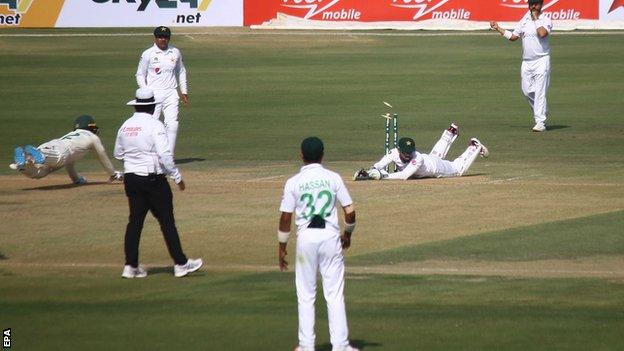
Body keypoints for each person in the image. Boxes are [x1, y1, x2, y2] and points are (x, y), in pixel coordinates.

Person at [278, 137, 359, 351]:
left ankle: (306, 346)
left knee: (306, 295)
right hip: (330, 239)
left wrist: (282, 246)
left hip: (306, 241)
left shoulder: (293, 182)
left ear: (301, 155)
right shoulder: (333, 178)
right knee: (334, 294)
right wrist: (347, 234)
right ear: (322, 154)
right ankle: (340, 346)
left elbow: (286, 218)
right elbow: (350, 211)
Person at [114, 87, 201, 279]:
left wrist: (134, 159)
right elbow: (165, 155)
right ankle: (181, 264)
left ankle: (130, 266)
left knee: (135, 222)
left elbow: (118, 154)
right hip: (153, 179)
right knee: (167, 222)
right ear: (152, 106)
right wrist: (177, 176)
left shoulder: (125, 126)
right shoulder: (155, 125)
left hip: (131, 179)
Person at [490, 0, 553, 132]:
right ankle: (542, 109)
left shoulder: (546, 19)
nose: (533, 6)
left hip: (541, 60)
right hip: (527, 61)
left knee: (540, 92)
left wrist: (536, 18)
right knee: (527, 91)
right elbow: (514, 37)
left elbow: (542, 34)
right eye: (531, 4)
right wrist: (498, 28)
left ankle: (540, 122)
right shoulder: (525, 18)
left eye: (536, 4)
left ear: (541, 5)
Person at [9, 115, 122, 184]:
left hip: (52, 147)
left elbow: (70, 164)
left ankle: (23, 165)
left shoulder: (73, 135)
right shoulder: (92, 137)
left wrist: (76, 180)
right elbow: (102, 157)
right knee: (58, 158)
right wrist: (112, 174)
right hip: (58, 151)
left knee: (39, 173)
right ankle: (35, 154)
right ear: (91, 127)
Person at [353, 123, 489, 181]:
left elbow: (405, 175)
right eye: (405, 152)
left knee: (457, 170)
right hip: (429, 159)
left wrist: (383, 176)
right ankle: (450, 132)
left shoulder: (417, 158)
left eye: (409, 152)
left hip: (436, 168)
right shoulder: (393, 153)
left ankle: (474, 146)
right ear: (399, 149)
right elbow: (378, 165)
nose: (407, 154)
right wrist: (371, 172)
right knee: (435, 155)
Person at [136, 26, 188, 155]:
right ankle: (147, 153)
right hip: (154, 93)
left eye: (165, 37)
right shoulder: (148, 53)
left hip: (171, 92)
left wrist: (184, 91)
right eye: (160, 37)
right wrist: (146, 92)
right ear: (155, 38)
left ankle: (167, 155)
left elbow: (181, 71)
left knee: (172, 124)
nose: (163, 40)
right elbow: (140, 74)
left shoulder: (175, 52)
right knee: (150, 124)